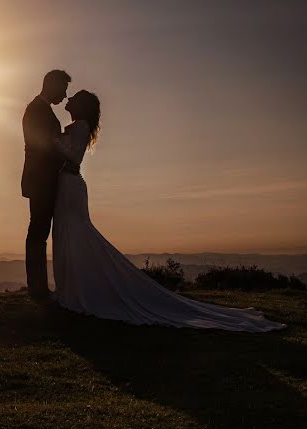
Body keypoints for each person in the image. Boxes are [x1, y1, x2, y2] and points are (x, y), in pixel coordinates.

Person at [51, 89, 285, 331]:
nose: (68, 100)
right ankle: (75, 287)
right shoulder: (78, 126)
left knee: (74, 235)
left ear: (82, 106)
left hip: (70, 184)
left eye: (74, 98)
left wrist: (50, 141)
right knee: (71, 235)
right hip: (69, 185)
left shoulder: (79, 125)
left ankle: (76, 289)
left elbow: (73, 157)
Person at [21, 69, 70, 300]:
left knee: (40, 230)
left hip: (44, 177)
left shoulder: (42, 110)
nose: (65, 95)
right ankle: (37, 287)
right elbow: (40, 146)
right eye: (63, 88)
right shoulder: (36, 110)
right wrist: (65, 157)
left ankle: (38, 286)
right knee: (38, 231)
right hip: (41, 178)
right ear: (51, 85)